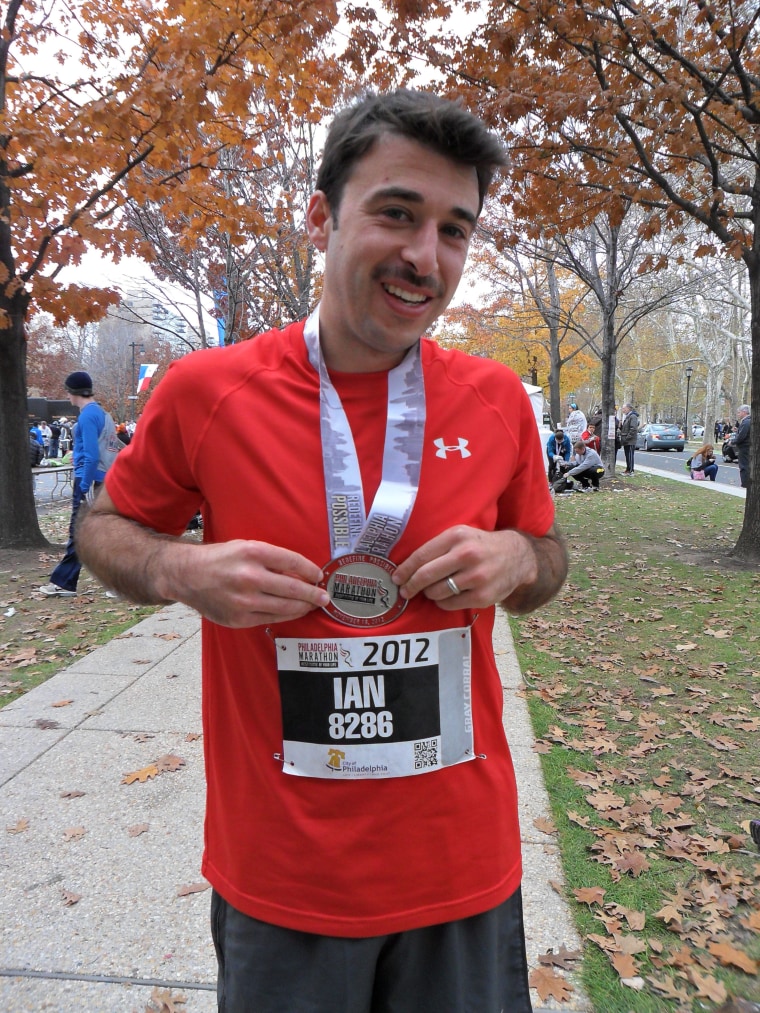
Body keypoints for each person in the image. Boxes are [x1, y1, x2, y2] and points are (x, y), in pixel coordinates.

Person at [76, 90, 569, 1013]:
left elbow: (548, 557)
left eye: (454, 230)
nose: (425, 256)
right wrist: (180, 568)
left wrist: (517, 559)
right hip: (285, 879)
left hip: (460, 870)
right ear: (319, 217)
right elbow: (102, 528)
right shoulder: (208, 391)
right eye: (396, 213)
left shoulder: (498, 399)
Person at [38, 371, 108, 597]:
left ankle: (64, 582)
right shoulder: (101, 413)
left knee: (78, 532)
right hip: (101, 479)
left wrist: (85, 485)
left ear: (73, 392)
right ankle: (115, 583)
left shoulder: (88, 416)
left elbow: (91, 454)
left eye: (67, 391)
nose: (66, 396)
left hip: (90, 479)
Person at [619, 403, 639, 475]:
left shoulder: (633, 416)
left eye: (624, 408)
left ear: (628, 408)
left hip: (630, 440)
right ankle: (628, 469)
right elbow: (625, 428)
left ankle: (630, 470)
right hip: (626, 440)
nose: (623, 410)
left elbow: (633, 428)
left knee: (630, 455)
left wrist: (627, 438)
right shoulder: (627, 416)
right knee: (627, 455)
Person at [734, 404, 751, 488]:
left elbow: (742, 437)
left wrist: (733, 441)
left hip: (744, 447)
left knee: (744, 466)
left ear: (744, 412)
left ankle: (745, 484)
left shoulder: (746, 422)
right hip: (746, 447)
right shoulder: (748, 422)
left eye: (739, 412)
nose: (738, 414)